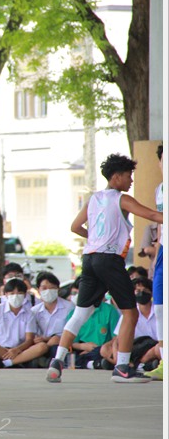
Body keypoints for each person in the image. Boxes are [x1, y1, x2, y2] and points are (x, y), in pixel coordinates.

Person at [46, 154, 163, 383]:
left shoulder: (93, 199)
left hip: (89, 258)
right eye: (129, 175)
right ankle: (122, 368)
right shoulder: (121, 199)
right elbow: (151, 215)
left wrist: (94, 239)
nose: (131, 180)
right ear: (116, 176)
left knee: (81, 313)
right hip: (109, 259)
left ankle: (57, 361)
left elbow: (75, 226)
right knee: (130, 312)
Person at [0, 279, 46, 368]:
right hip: (0, 349)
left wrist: (16, 350)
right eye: (12, 293)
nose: (15, 296)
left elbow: (29, 340)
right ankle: (17, 362)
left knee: (42, 347)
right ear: (6, 295)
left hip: (20, 350)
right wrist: (7, 352)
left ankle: (6, 363)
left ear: (25, 295)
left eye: (19, 293)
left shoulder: (29, 314)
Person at [99, 278, 159, 370]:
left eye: (145, 290)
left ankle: (134, 365)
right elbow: (118, 339)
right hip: (134, 347)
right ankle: (137, 366)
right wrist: (116, 355)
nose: (141, 293)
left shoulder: (159, 311)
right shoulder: (130, 313)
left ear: (151, 293)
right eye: (138, 291)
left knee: (159, 349)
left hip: (153, 347)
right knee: (105, 349)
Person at [28, 271, 75, 366]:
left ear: (58, 289)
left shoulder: (69, 308)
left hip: (61, 344)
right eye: (44, 288)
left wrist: (54, 339)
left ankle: (45, 361)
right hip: (41, 345)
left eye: (52, 288)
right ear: (38, 289)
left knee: (56, 348)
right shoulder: (34, 311)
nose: (48, 291)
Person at [146, 144, 164, 381]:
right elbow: (160, 227)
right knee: (159, 308)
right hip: (164, 253)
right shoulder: (159, 190)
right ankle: (164, 360)